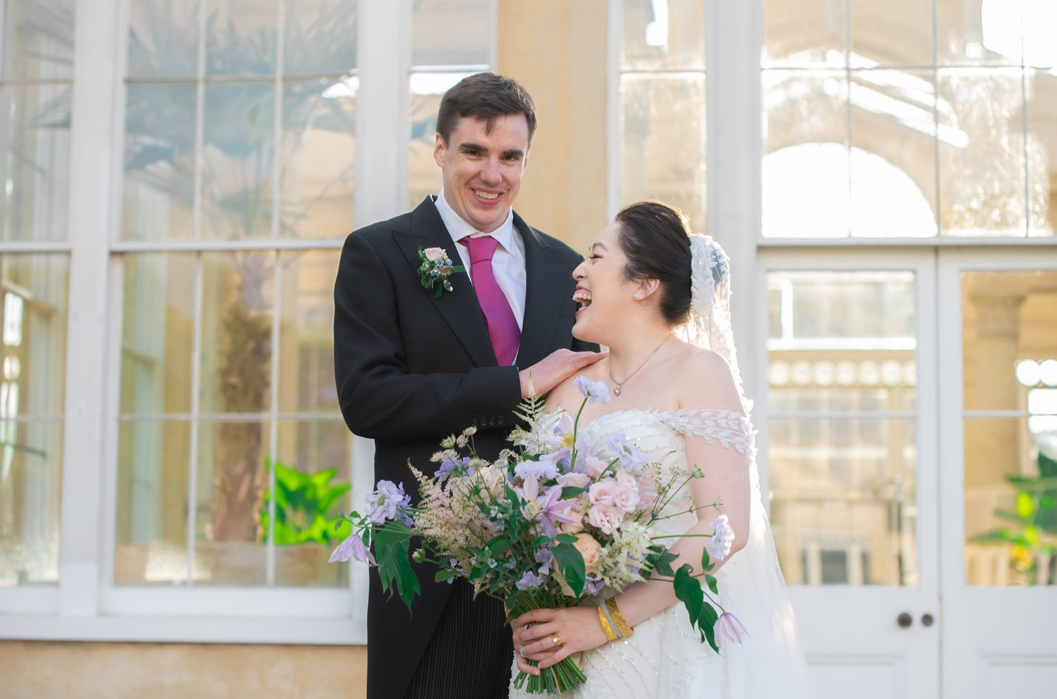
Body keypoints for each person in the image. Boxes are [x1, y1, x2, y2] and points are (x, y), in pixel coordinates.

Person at [333, 72, 604, 699]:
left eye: (510, 156)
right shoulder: (380, 253)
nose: (493, 174)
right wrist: (514, 385)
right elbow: (368, 399)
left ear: (526, 160)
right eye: (474, 153)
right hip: (431, 570)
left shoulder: (566, 269)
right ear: (439, 150)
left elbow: (596, 405)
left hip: (549, 577)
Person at [509, 201, 810, 698]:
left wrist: (603, 623)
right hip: (562, 646)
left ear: (644, 284)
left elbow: (723, 527)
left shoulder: (700, 373)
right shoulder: (566, 382)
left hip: (661, 636)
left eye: (597, 257)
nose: (578, 270)